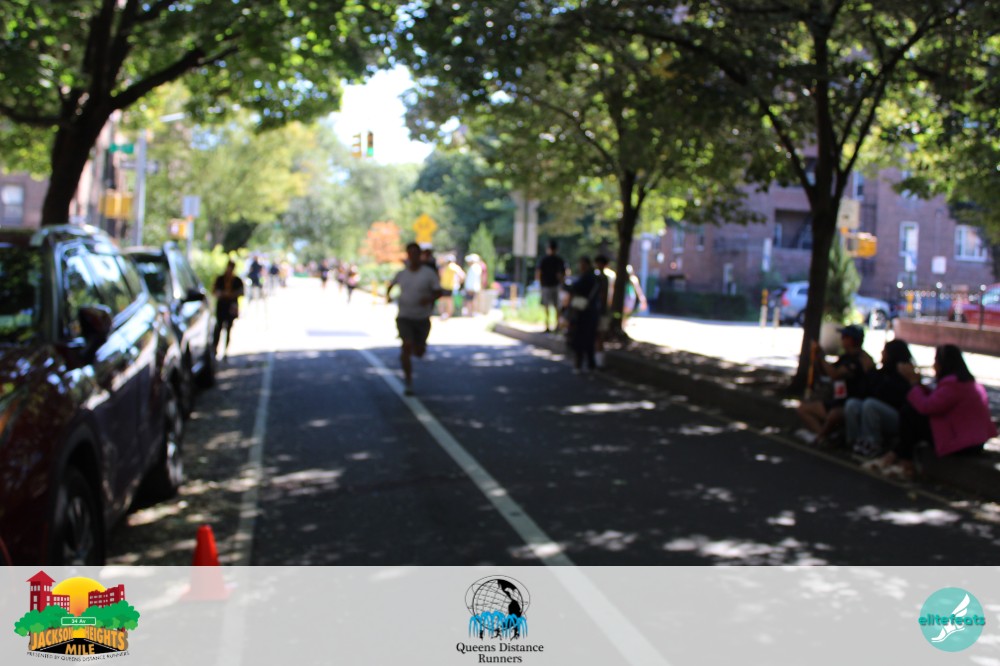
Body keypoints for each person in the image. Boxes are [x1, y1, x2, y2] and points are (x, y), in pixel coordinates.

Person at [864, 344, 998, 480]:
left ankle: (905, 464)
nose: (934, 366)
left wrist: (913, 382)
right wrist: (919, 385)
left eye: (936, 361)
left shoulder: (954, 385)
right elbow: (936, 400)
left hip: (964, 443)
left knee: (911, 415)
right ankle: (894, 457)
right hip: (972, 439)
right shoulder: (966, 382)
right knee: (914, 419)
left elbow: (926, 407)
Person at [796, 324, 876, 447]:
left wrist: (821, 357)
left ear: (851, 340)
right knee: (803, 408)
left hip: (851, 404)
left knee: (834, 415)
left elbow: (835, 374)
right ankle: (823, 436)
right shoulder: (845, 357)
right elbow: (827, 372)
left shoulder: (861, 359)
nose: (841, 339)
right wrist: (817, 357)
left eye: (844, 336)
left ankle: (820, 438)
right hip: (837, 401)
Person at [387, 243, 443, 395]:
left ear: (420, 255)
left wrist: (429, 299)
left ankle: (418, 346)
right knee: (406, 346)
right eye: (410, 253)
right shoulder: (402, 273)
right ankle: (408, 380)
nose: (413, 256)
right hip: (404, 316)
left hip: (422, 318)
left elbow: (439, 291)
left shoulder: (429, 274)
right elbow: (391, 285)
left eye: (416, 253)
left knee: (419, 352)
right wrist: (388, 296)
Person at [844, 339, 914, 458]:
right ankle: (855, 442)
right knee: (852, 404)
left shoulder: (902, 373)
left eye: (885, 351)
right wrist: (869, 373)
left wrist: (871, 372)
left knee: (870, 404)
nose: (882, 353)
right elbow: (864, 392)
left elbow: (886, 395)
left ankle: (872, 445)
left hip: (898, 417)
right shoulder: (882, 371)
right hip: (876, 412)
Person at [564, 256, 600, 373]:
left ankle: (581, 364)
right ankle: (590, 364)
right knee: (589, 339)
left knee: (580, 338)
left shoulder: (587, 277)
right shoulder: (593, 277)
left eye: (582, 264)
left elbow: (574, 288)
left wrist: (562, 282)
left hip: (584, 312)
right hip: (591, 311)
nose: (580, 266)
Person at [212, 260, 245, 361]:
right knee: (218, 328)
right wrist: (222, 294)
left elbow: (242, 292)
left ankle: (225, 351)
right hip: (221, 306)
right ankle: (215, 349)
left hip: (231, 307)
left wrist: (232, 294)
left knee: (228, 329)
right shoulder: (220, 279)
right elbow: (214, 291)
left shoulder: (237, 280)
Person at [536, 241, 566, 333]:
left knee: (550, 306)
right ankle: (553, 326)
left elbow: (539, 273)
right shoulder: (555, 260)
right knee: (554, 306)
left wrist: (540, 284)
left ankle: (551, 325)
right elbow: (563, 274)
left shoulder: (549, 259)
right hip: (552, 286)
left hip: (550, 286)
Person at [593, 255, 615, 367]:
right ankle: (599, 360)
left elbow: (603, 296)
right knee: (599, 336)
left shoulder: (601, 278)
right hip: (601, 311)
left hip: (600, 311)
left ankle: (599, 361)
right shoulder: (601, 277)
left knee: (599, 336)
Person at [438, 255, 465, 320]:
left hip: (443, 286)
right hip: (449, 286)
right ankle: (447, 315)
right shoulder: (453, 266)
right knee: (449, 301)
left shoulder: (445, 266)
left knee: (442, 301)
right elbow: (462, 275)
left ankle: (443, 314)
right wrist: (460, 282)